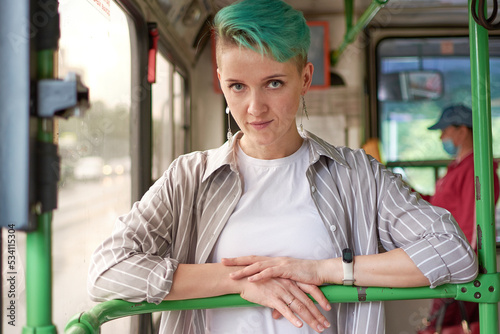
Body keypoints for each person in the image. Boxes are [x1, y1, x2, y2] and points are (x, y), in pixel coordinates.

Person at [87, 1, 478, 333]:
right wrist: (241, 283)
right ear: (221, 82)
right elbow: (107, 272)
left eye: (274, 83)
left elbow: (454, 253)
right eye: (238, 86)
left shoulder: (358, 175)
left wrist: (323, 271)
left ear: (304, 78)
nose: (254, 108)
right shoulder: (188, 178)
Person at [416, 104, 499, 333]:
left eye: (445, 130)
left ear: (462, 131)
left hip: (456, 265)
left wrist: (462, 265)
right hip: (446, 259)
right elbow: (438, 205)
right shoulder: (458, 167)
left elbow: (473, 224)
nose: (442, 137)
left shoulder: (477, 169)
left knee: (443, 325)